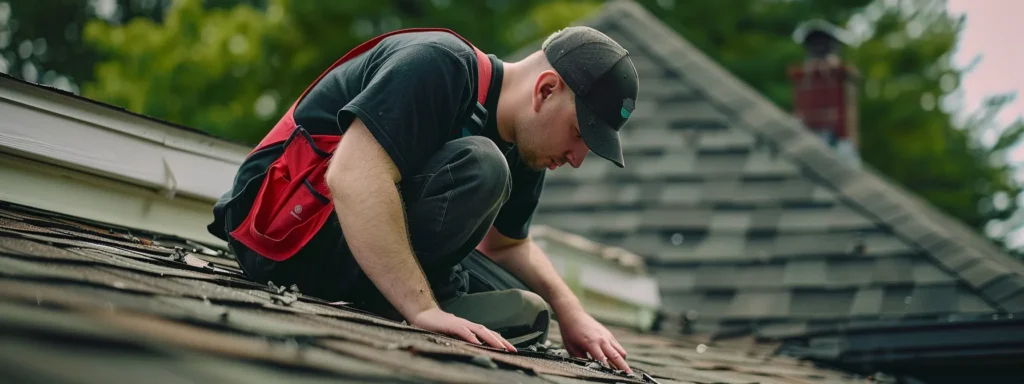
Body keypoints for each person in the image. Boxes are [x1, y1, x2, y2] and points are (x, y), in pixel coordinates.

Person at [208, 25, 639, 374]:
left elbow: (507, 245)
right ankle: (421, 296)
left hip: (347, 233)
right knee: (484, 165)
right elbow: (352, 175)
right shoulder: (441, 62)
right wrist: (422, 311)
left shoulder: (528, 146)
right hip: (285, 233)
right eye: (579, 134)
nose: (578, 159)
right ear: (545, 90)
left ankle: (419, 292)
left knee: (530, 307)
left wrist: (572, 314)